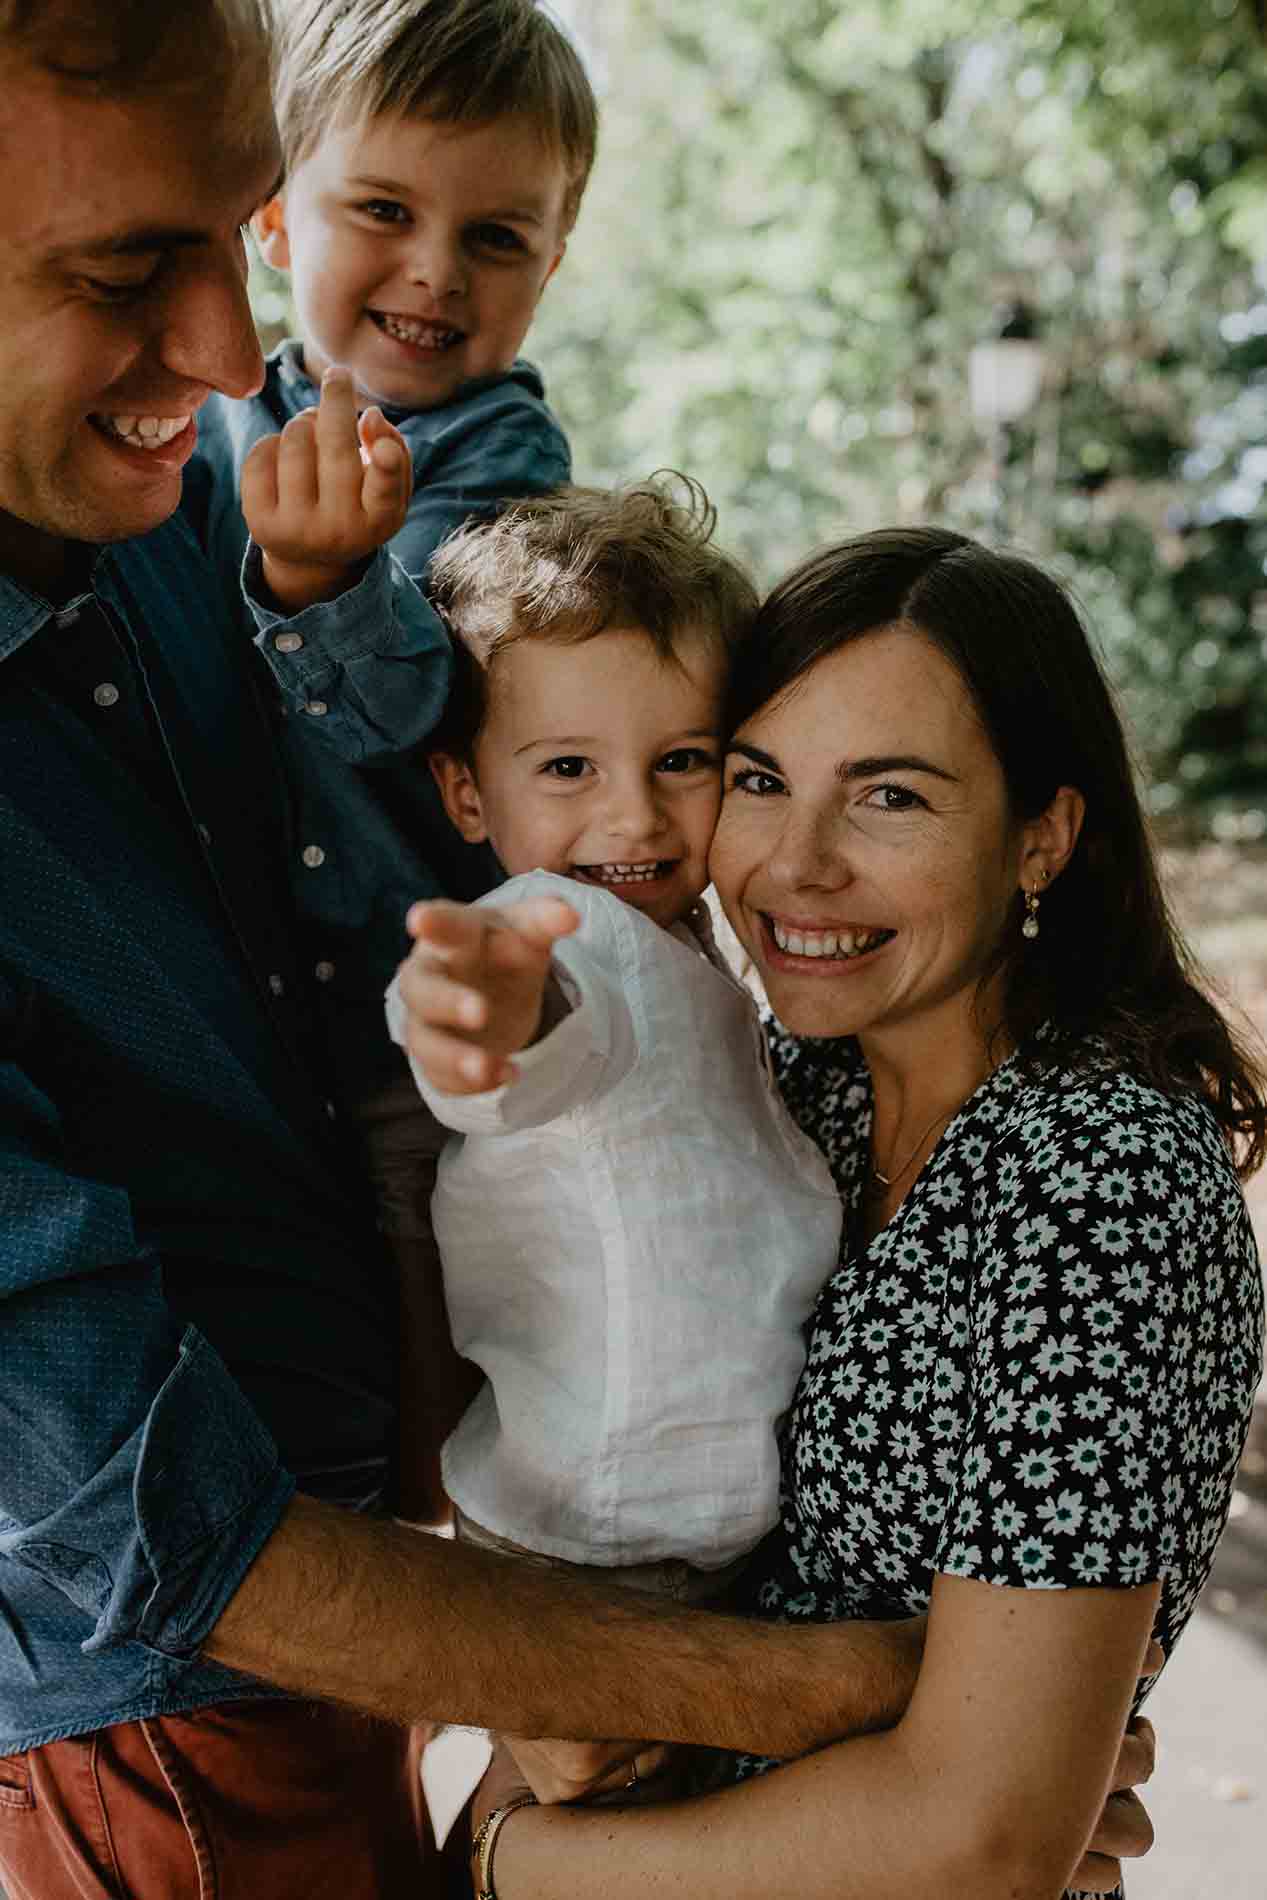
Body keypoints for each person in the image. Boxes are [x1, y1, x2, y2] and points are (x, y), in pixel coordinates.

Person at [0, 10, 968, 1896]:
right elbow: (143, 1518)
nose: (219, 355)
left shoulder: (188, 484)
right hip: (171, 1722)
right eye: (130, 267)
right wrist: (864, 1713)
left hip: (389, 1611)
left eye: (234, 229)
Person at [399, 527, 1264, 1900]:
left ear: (1038, 834)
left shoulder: (1098, 1181)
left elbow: (977, 1841)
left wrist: (515, 1861)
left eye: (889, 798)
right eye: (757, 780)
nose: (791, 865)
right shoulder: (796, 1078)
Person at [192, 0, 597, 1518]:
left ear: (549, 267)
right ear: (276, 216)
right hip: (247, 1013)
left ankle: (466, 1622)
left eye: (496, 238)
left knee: (443, 1362)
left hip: (406, 1011)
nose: (434, 270)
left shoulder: (500, 462)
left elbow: (403, 703)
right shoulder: (217, 413)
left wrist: (317, 585)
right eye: (382, 209)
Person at [382, 480, 842, 1605]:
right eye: (567, 768)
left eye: (681, 760)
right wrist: (479, 1022)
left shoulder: (687, 940)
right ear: (467, 794)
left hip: (662, 1529)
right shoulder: (564, 932)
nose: (632, 815)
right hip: (594, 1545)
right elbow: (533, 1038)